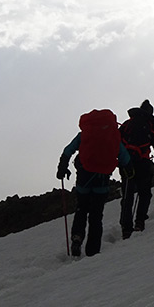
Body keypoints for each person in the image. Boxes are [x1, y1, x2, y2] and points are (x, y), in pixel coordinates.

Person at [57, 109, 131, 257]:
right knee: (96, 216)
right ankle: (93, 251)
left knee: (81, 209)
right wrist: (129, 171)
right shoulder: (113, 136)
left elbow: (68, 150)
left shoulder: (84, 134)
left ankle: (77, 238)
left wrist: (62, 168)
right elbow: (125, 158)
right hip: (102, 181)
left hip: (84, 178)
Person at [118, 100, 154, 239]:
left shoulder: (127, 124)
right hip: (143, 162)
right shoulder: (149, 125)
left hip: (126, 164)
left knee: (128, 194)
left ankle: (126, 228)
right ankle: (139, 222)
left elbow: (117, 142)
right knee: (145, 193)